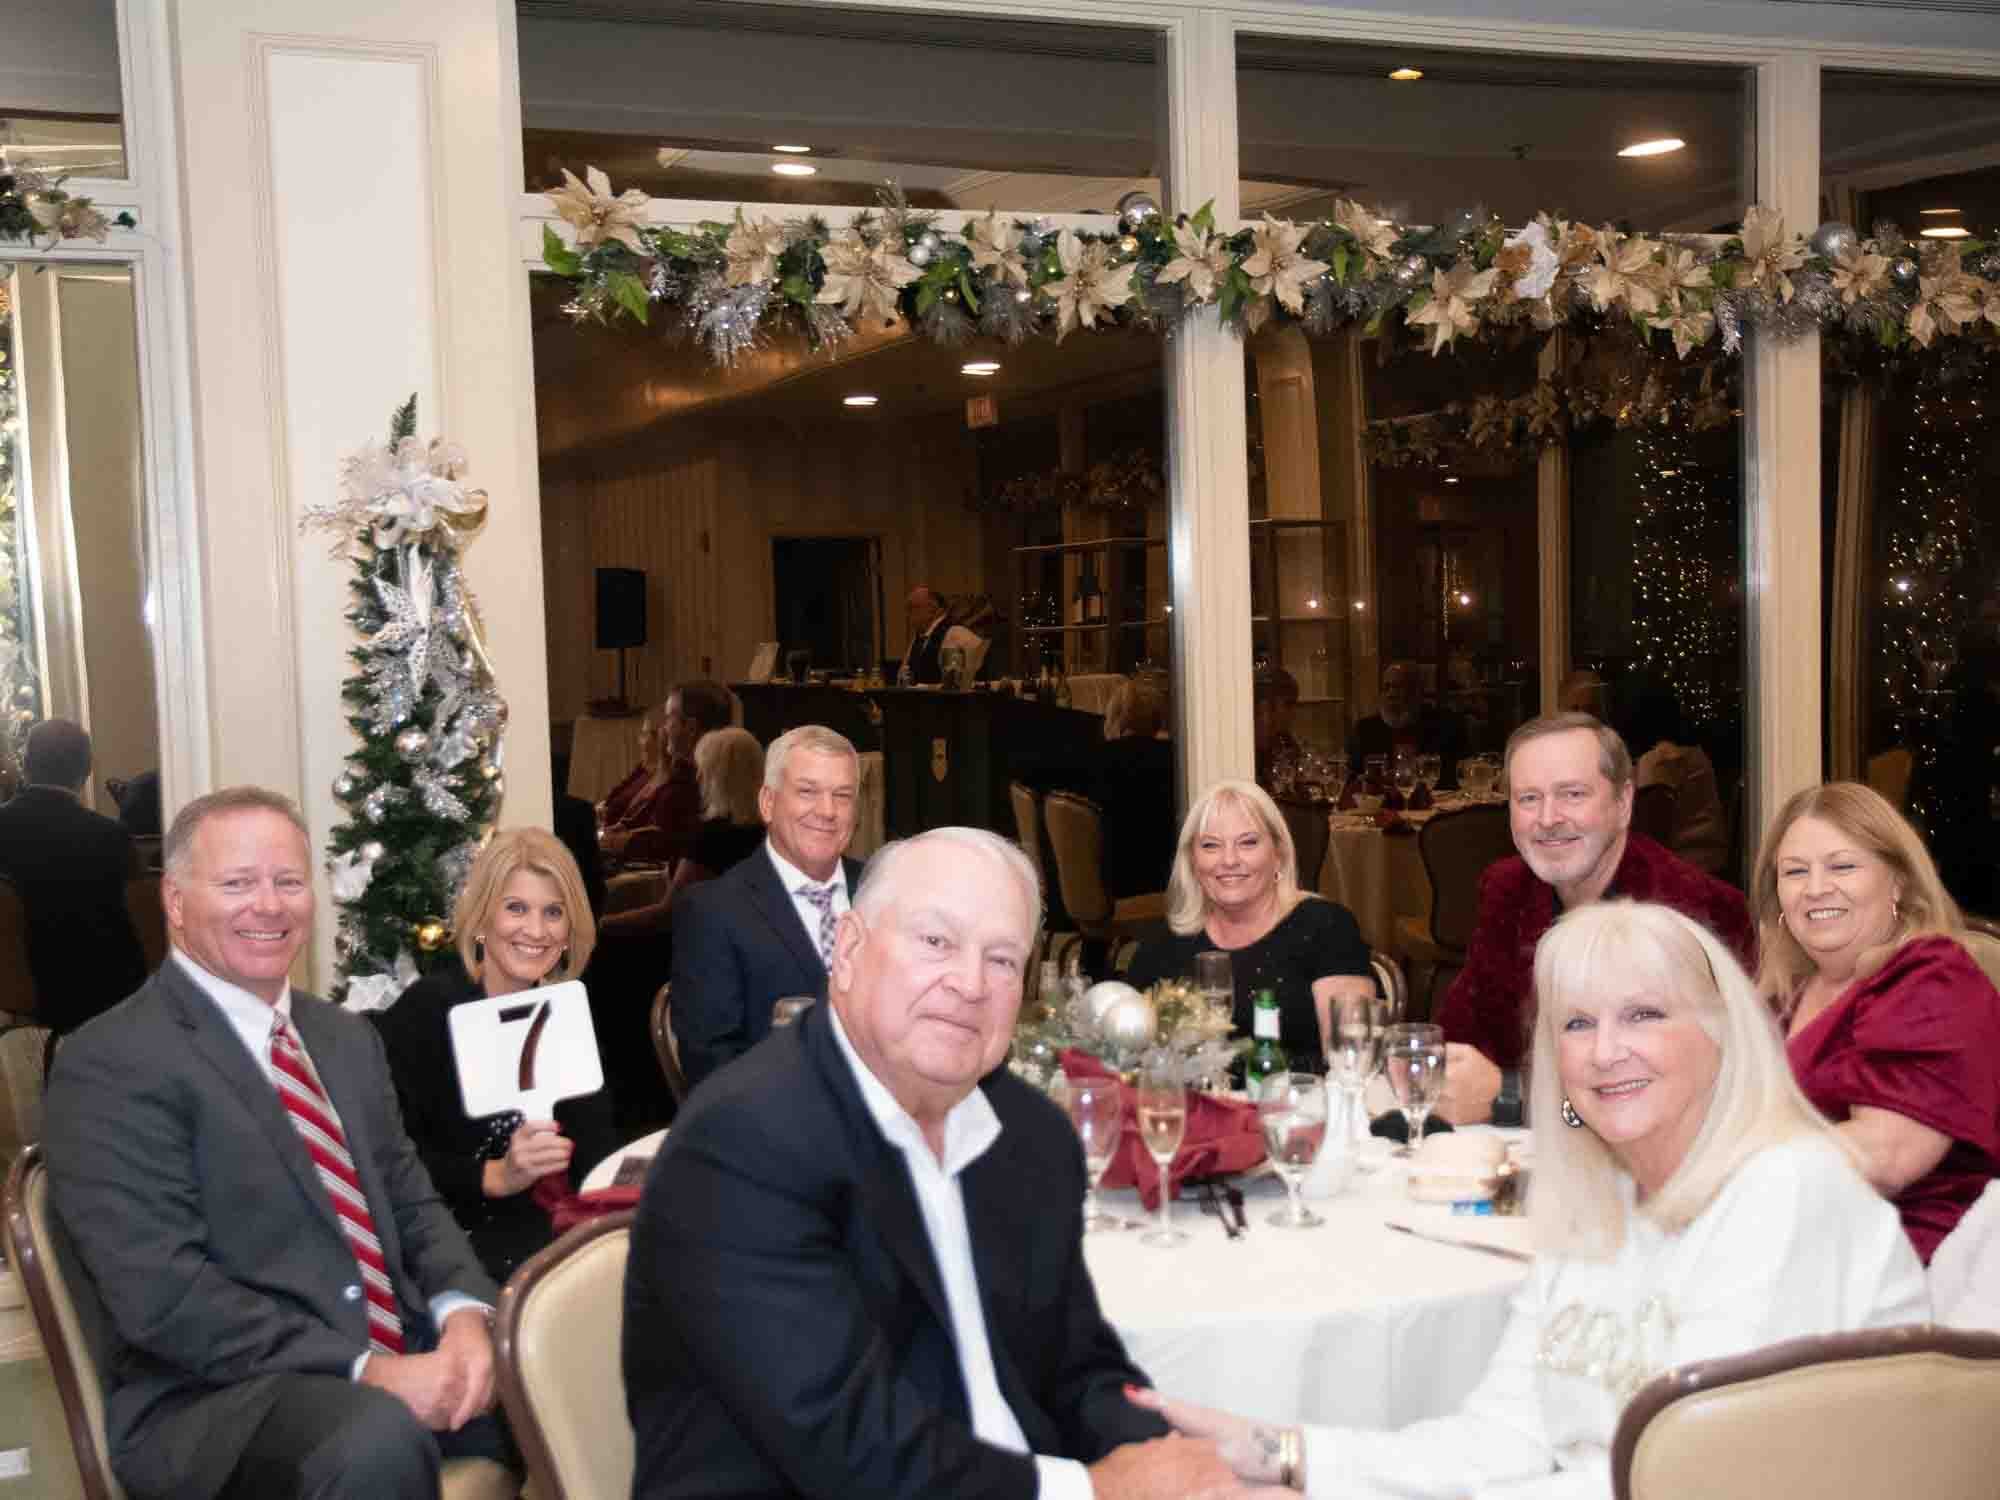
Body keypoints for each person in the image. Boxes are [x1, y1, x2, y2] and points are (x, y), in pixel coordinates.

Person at [1129, 900, 1928, 1500]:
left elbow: (1695, 1474)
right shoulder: (1598, 1202)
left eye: (1644, 1015)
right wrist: (1276, 1453)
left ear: (1722, 1034)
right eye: (1577, 1023)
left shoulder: (1787, 1188)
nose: (1606, 1050)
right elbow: (1501, 1436)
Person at [626, 826, 1248, 1500]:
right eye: (936, 942)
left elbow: (1079, 1372)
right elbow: (849, 1447)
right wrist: (1098, 1490)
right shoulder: (741, 1145)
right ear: (850, 948)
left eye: (1003, 959)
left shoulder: (1025, 1135)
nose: (971, 984)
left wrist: (1173, 1469)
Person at [42, 788, 507, 1500]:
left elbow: (413, 1203)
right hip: (218, 1399)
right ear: (174, 900)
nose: (270, 905)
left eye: (288, 881)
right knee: (374, 1441)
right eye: (237, 883)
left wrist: (467, 1319)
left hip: (395, 1351)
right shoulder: (110, 1061)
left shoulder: (346, 1039)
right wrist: (368, 1370)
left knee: (575, 1357)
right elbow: (165, 1295)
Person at [1433, 713, 1754, 1127]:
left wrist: (1510, 1095)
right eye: (1528, 798)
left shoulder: (1689, 911)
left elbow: (1691, 1099)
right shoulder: (1508, 890)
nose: (1548, 819)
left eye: (1572, 794)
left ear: (1623, 804)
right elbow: (1462, 1034)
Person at [1752, 781, 2000, 1264]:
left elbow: (1887, 1157)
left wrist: (1726, 1168)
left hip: (1908, 1276)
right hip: (1792, 1253)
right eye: (1795, 872)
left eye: (1843, 866)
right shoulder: (1780, 1001)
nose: (1816, 888)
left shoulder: (1933, 976)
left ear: (1898, 881)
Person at [371, 828, 616, 1283]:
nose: (536, 930)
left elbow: (596, 1154)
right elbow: (391, 1159)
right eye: (516, 908)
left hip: (556, 1238)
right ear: (482, 919)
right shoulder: (428, 1012)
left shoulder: (566, 1018)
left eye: (553, 913)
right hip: (454, 1244)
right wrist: (496, 1175)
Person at [1125, 780, 1374, 1066]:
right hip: (1194, 1107)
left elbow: (1352, 1062)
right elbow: (1127, 1058)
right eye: (1210, 846)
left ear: (1278, 854)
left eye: (1248, 842)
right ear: (1192, 861)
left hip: (1302, 1104)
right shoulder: (1164, 943)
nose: (1229, 860)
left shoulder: (1326, 927)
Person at [671, 724, 864, 1091]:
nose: (827, 811)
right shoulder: (713, 912)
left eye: (843, 795)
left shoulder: (884, 890)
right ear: (768, 803)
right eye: (808, 791)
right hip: (777, 1130)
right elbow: (711, 1064)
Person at [0, 718, 148, 1037]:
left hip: (21, 988)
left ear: (26, 765)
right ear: (87, 770)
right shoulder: (112, 837)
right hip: (108, 987)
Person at [600, 725, 765, 937]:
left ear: (718, 779)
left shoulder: (712, 835)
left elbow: (670, 915)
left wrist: (602, 925)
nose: (697, 779)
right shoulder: (770, 831)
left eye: (702, 771)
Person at [601, 680, 732, 863]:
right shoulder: (683, 771)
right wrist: (627, 829)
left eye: (670, 718)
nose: (664, 728)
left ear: (691, 728)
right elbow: (663, 829)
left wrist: (626, 842)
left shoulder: (701, 780)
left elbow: (675, 845)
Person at [1611, 672, 1728, 876]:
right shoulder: (1692, 753)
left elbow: (1651, 835)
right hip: (1703, 865)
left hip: (1684, 873)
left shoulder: (1663, 760)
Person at [1347, 661, 1467, 790]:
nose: (1391, 694)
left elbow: (1460, 774)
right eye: (1386, 687)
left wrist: (1416, 778)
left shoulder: (1446, 724)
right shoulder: (1366, 729)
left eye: (1399, 687)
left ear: (1418, 692)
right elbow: (1352, 778)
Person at [899, 583, 981, 686]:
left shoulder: (956, 633)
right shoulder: (919, 638)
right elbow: (903, 677)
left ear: (933, 608)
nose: (908, 615)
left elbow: (969, 679)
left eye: (912, 608)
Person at [596, 705, 661, 827]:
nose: (641, 742)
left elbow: (631, 819)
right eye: (642, 734)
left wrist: (605, 814)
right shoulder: (643, 768)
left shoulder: (658, 782)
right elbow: (616, 793)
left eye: (645, 734)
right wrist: (604, 805)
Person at [1253, 663, 1301, 789]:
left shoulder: (1284, 740)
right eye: (1288, 704)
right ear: (1266, 705)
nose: (1293, 712)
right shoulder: (1245, 744)